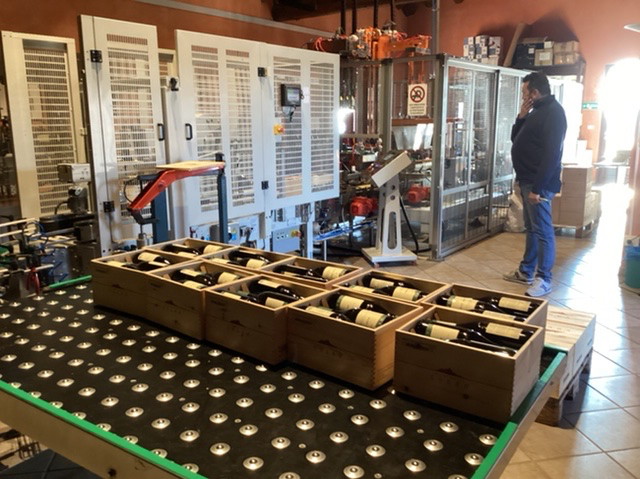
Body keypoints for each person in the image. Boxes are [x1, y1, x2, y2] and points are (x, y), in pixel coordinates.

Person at [503, 72, 567, 297]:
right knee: (531, 228)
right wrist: (521, 117)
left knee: (542, 231)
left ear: (535, 92)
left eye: (525, 93)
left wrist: (538, 189)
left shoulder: (554, 113)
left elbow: (552, 154)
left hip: (538, 182)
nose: (524, 97)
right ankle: (526, 271)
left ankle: (544, 279)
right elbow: (516, 139)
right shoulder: (536, 111)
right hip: (527, 179)